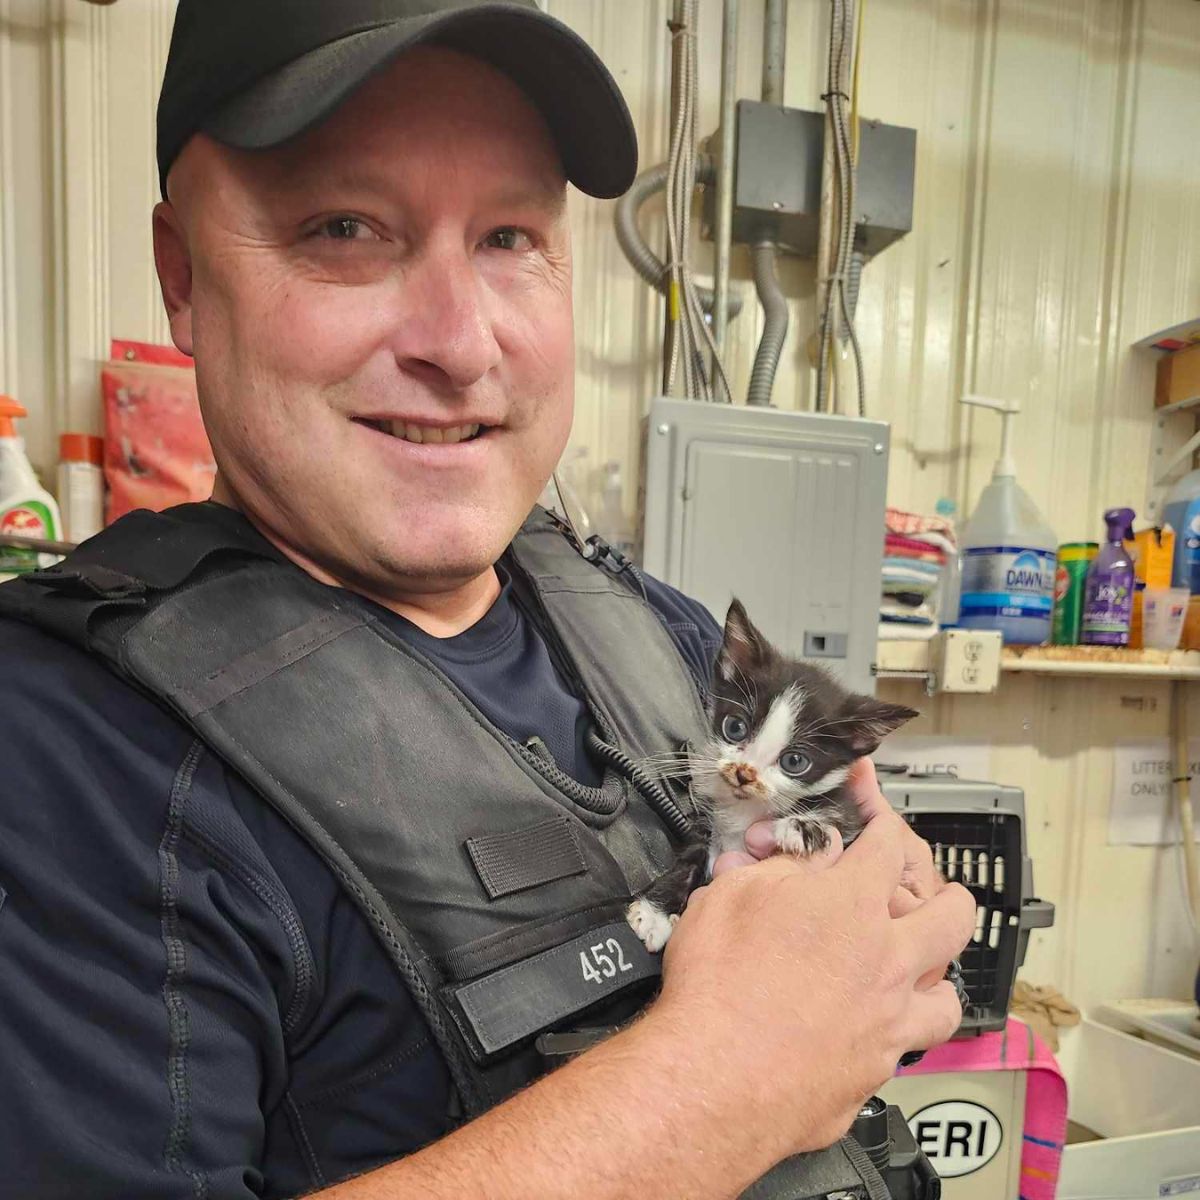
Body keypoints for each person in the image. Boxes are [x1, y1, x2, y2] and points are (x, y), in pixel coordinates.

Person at [0, 1, 975, 1197]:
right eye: (345, 227)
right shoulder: (66, 754)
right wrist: (718, 1082)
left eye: (511, 235)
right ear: (183, 278)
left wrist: (889, 945)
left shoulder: (656, 631)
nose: (461, 344)